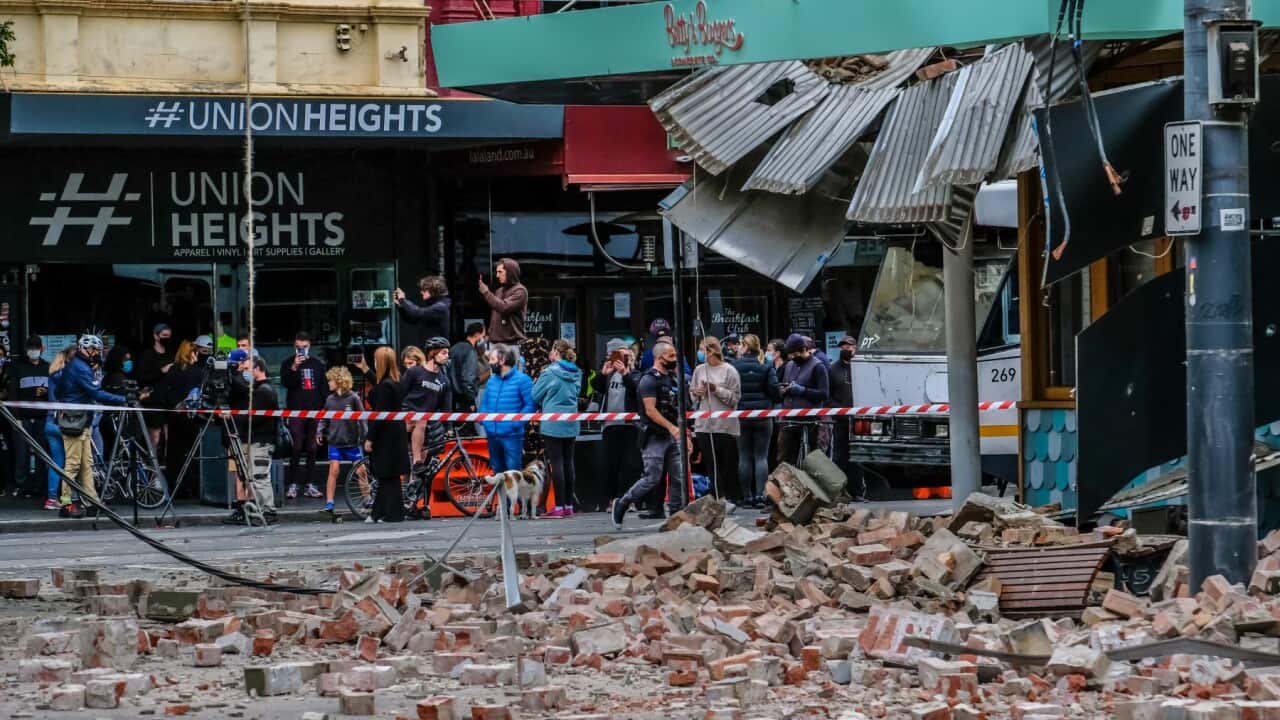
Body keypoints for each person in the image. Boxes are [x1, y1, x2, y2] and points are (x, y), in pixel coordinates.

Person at [612, 341, 692, 529]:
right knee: (652, 478)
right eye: (671, 356)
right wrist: (672, 428)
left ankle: (676, 515)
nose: (674, 360)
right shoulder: (649, 380)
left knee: (678, 477)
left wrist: (685, 433)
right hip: (654, 436)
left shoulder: (673, 379)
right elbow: (650, 410)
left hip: (673, 435)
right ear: (659, 357)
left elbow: (679, 410)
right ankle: (623, 503)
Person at [57, 335, 126, 516]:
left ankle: (91, 501)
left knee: (87, 464)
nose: (96, 354)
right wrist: (123, 400)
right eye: (93, 350)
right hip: (75, 421)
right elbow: (96, 393)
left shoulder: (75, 365)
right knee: (73, 464)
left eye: (98, 351)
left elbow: (59, 391)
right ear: (83, 348)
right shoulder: (80, 367)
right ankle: (66, 504)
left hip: (81, 420)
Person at [223, 357, 279, 524]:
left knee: (260, 477)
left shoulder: (264, 391)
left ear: (258, 368)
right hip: (257, 440)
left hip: (261, 441)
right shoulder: (261, 389)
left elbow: (251, 416)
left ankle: (269, 511)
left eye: (247, 369)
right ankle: (263, 511)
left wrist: (231, 415)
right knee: (254, 476)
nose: (244, 373)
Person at [533, 339, 582, 518]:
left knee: (557, 464)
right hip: (571, 421)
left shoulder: (549, 372)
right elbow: (577, 393)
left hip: (552, 421)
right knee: (569, 462)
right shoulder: (577, 372)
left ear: (555, 351)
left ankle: (559, 506)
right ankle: (569, 505)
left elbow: (535, 395)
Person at [691, 336, 741, 503]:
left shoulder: (729, 370)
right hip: (704, 425)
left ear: (711, 351)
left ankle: (728, 497)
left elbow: (734, 399)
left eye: (702, 349)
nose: (700, 353)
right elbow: (692, 395)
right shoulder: (699, 370)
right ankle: (716, 498)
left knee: (726, 465)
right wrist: (696, 393)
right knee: (710, 464)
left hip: (724, 426)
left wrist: (715, 389)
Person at [592, 339, 641, 510]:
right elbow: (595, 387)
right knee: (610, 464)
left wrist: (625, 373)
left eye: (625, 354)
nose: (622, 357)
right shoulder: (609, 372)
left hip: (630, 425)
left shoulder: (635, 373)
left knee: (630, 465)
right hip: (610, 424)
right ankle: (611, 499)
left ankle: (627, 499)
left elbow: (636, 390)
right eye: (618, 354)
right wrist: (603, 374)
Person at [731, 334, 779, 509]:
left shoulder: (735, 366)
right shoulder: (766, 365)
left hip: (742, 415)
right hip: (763, 415)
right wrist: (773, 399)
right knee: (761, 457)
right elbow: (774, 389)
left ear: (744, 347)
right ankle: (760, 494)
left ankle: (747, 496)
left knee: (744, 456)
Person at [280, 332, 327, 500]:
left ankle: (310, 484)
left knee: (312, 448)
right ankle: (293, 484)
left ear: (309, 347)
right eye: (299, 347)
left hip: (314, 410)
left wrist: (322, 410)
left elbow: (324, 387)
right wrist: (294, 367)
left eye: (304, 347)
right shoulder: (288, 364)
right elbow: (286, 383)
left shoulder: (318, 364)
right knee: (296, 447)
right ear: (294, 347)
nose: (301, 350)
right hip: (296, 410)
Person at [366, 346, 409, 523]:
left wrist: (370, 437)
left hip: (385, 436)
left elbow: (379, 415)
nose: (374, 363)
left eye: (376, 360)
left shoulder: (384, 387)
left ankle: (391, 513)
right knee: (389, 476)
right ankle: (380, 512)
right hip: (396, 432)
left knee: (386, 474)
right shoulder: (396, 383)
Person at [478, 343, 534, 475]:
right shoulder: (492, 381)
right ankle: (501, 497)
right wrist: (485, 422)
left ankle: (513, 497)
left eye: (492, 359)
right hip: (492, 435)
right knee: (497, 472)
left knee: (513, 474)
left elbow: (530, 406)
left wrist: (515, 424)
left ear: (502, 360)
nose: (490, 363)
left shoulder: (523, 380)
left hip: (512, 436)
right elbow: (485, 403)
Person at [317, 366, 367, 513]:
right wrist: (320, 432)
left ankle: (367, 498)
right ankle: (330, 502)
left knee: (361, 471)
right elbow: (324, 418)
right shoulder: (330, 399)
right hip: (335, 442)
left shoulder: (353, 398)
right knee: (334, 470)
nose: (328, 383)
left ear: (338, 381)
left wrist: (365, 436)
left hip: (352, 442)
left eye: (330, 380)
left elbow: (362, 418)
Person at [401, 339, 452, 480]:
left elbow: (446, 408)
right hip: (407, 416)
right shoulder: (415, 372)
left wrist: (449, 428)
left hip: (425, 427)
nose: (447, 356)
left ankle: (411, 494)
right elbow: (400, 392)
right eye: (443, 353)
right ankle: (417, 461)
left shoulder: (444, 381)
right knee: (420, 420)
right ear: (432, 353)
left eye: (447, 353)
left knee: (421, 465)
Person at [777, 333, 831, 465]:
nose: (793, 358)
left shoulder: (818, 366)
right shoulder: (790, 365)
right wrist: (783, 391)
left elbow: (824, 393)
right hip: (789, 417)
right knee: (784, 456)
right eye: (791, 355)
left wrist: (803, 391)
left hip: (810, 419)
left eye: (795, 354)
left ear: (804, 350)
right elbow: (785, 384)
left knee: (812, 459)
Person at [11, 336, 50, 502]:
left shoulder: (48, 368)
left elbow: (54, 391)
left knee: (43, 455)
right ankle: (22, 487)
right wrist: (16, 417)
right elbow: (13, 393)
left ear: (42, 349)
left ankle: (40, 487)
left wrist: (46, 392)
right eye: (30, 347)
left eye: (36, 347)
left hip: (43, 418)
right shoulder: (18, 368)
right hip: (24, 418)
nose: (33, 350)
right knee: (22, 454)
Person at [828, 335, 866, 500]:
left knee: (857, 457)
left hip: (859, 420)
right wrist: (836, 409)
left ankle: (857, 492)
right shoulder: (832, 369)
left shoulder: (861, 367)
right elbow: (827, 394)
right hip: (840, 420)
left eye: (848, 346)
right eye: (842, 347)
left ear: (855, 348)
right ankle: (839, 492)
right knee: (838, 457)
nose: (845, 349)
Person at [42, 347, 71, 510]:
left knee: (56, 463)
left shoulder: (52, 376)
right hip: (66, 424)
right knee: (72, 463)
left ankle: (51, 499)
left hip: (50, 423)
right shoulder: (68, 376)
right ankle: (67, 499)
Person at [137, 323, 174, 451]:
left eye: (169, 336)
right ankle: (152, 467)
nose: (167, 338)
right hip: (153, 402)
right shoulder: (147, 355)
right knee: (155, 438)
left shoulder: (171, 354)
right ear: (156, 336)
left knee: (171, 438)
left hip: (168, 401)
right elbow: (141, 378)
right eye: (164, 335)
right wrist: (161, 371)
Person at [478, 258, 528, 345]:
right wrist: (490, 334)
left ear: (510, 273)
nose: (497, 275)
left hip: (512, 344)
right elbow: (495, 316)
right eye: (497, 272)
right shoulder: (499, 291)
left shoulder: (520, 291)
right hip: (495, 343)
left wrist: (486, 292)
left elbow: (504, 307)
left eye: (500, 272)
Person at [394, 276, 452, 347]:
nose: (421, 292)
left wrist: (403, 300)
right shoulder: (434, 306)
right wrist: (401, 306)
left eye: (424, 290)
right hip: (430, 348)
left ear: (433, 291)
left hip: (437, 351)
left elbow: (417, 313)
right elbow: (413, 319)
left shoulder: (440, 307)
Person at [449, 322, 486, 413]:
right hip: (464, 400)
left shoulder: (454, 348)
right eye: (483, 336)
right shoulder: (470, 351)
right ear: (477, 335)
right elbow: (469, 379)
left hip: (451, 399)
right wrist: (471, 401)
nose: (484, 340)